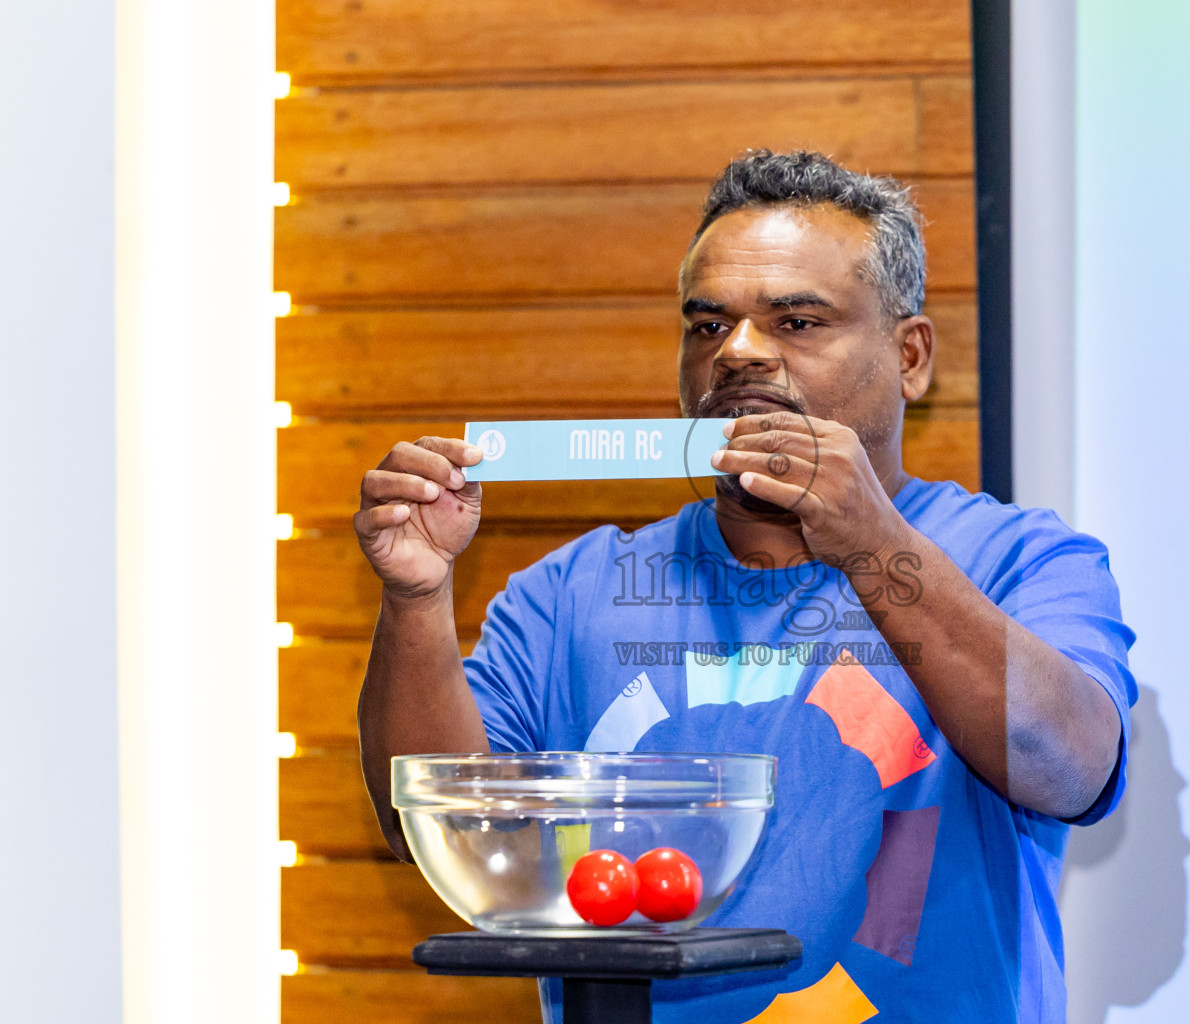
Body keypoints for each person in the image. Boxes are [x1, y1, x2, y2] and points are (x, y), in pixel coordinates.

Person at [354, 150, 1136, 1023]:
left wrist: (875, 545)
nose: (739, 353)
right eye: (707, 325)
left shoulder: (1022, 561)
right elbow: (437, 828)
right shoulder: (568, 591)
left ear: (911, 358)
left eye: (797, 322)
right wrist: (416, 600)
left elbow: (1070, 770)